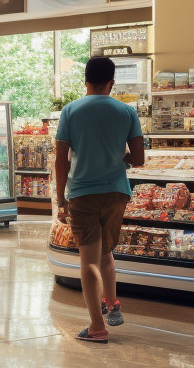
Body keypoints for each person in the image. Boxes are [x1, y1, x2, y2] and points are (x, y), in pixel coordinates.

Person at [54, 55, 145, 343]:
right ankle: (112, 304)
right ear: (112, 82)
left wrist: (60, 199)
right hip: (117, 191)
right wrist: (116, 157)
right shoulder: (126, 112)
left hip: (83, 192)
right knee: (106, 252)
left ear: (85, 81)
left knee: (88, 261)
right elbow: (139, 158)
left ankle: (96, 327)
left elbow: (60, 160)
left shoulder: (70, 111)